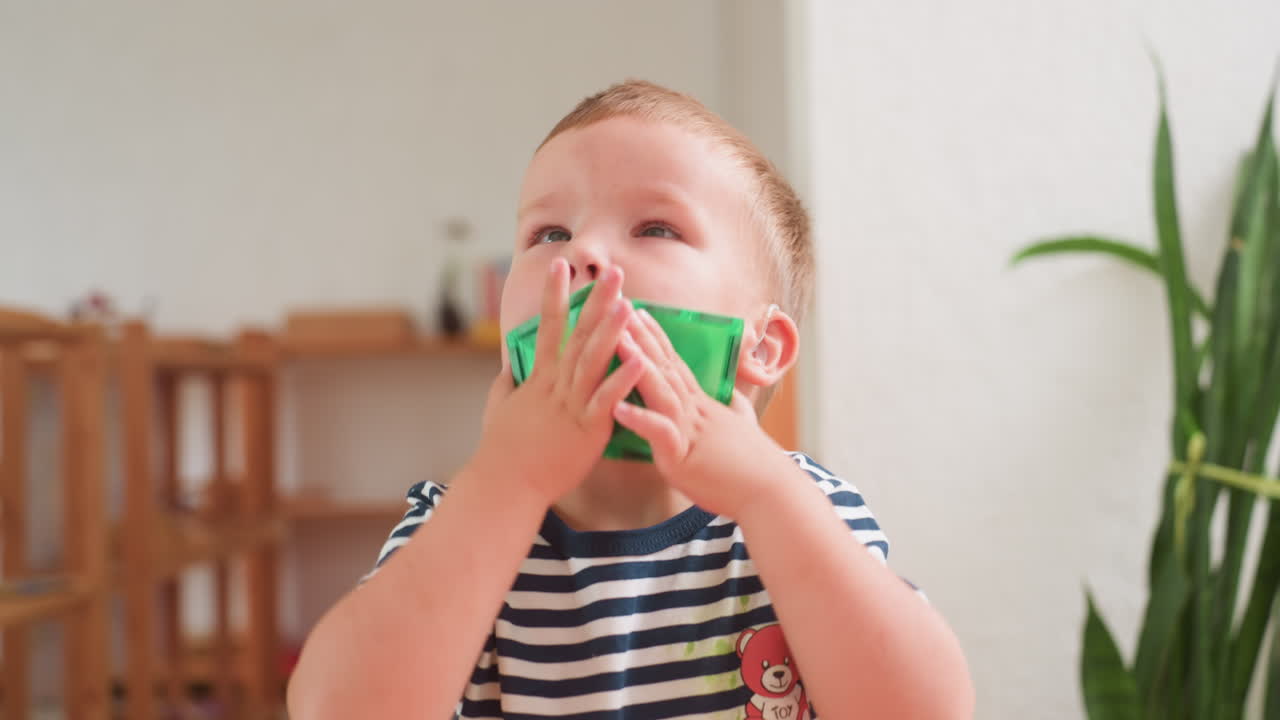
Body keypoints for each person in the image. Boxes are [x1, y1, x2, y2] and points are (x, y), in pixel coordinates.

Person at [287, 79, 974, 720]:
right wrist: (506, 480)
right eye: (547, 234)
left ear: (760, 349)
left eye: (655, 228)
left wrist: (767, 493)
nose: (579, 250)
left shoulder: (803, 513)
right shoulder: (457, 527)